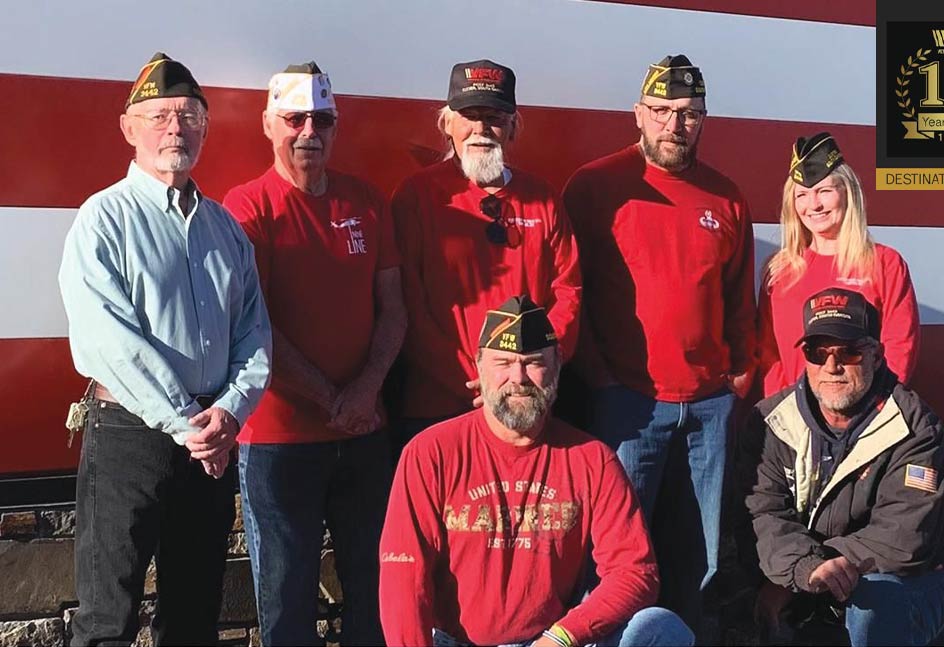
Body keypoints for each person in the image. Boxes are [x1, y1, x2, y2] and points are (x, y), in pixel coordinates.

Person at [57, 52, 272, 646]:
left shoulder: (226, 229)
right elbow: (108, 341)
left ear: (205, 127)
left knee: (195, 612)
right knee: (107, 617)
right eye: (158, 115)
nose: (174, 127)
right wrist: (188, 423)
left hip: (209, 435)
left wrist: (229, 410)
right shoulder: (103, 220)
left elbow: (254, 333)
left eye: (187, 115)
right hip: (132, 434)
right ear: (129, 129)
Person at [561, 53, 756, 636]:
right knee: (616, 558)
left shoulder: (725, 197)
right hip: (628, 405)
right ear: (638, 114)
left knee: (700, 559)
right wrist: (598, 376)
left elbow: (738, 298)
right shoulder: (595, 187)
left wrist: (738, 376)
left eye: (690, 113)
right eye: (663, 110)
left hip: (708, 408)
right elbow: (572, 287)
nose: (676, 125)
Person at [379, 295, 694, 647]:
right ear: (479, 368)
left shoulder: (591, 459)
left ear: (556, 368)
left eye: (533, 363)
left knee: (660, 628)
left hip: (550, 639)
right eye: (503, 363)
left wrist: (562, 636)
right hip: (456, 641)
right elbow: (404, 577)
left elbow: (635, 572)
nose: (518, 377)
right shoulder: (430, 453)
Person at [223, 62, 405, 646]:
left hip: (363, 433)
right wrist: (333, 399)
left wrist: (366, 391)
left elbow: (394, 309)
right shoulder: (248, 206)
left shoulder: (368, 201)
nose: (309, 132)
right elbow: (255, 325)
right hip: (279, 442)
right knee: (285, 603)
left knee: (375, 592)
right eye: (294, 118)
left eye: (322, 119)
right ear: (268, 125)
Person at [744, 287, 944, 647]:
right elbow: (761, 515)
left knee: (875, 604)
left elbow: (903, 538)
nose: (832, 366)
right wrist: (802, 570)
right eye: (817, 352)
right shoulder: (770, 421)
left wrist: (814, 567)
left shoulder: (915, 425)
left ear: (876, 355)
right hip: (808, 576)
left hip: (904, 581)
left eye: (849, 351)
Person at [391, 59, 580, 442]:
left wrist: (530, 368)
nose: (481, 129)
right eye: (469, 116)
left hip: (523, 399)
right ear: (447, 124)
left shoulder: (543, 199)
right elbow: (407, 300)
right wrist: (475, 377)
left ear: (512, 126)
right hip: (439, 405)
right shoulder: (417, 197)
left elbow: (569, 291)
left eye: (493, 116)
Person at [757, 132, 920, 396]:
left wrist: (875, 407)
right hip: (796, 418)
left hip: (864, 414)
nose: (814, 205)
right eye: (802, 195)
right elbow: (767, 353)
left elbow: (901, 346)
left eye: (824, 191)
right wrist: (782, 408)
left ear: (847, 194)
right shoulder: (779, 271)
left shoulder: (884, 264)